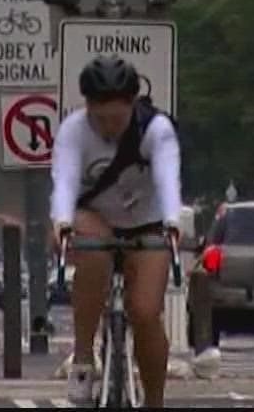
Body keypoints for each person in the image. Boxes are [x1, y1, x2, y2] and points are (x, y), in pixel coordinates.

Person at [51, 56, 183, 408]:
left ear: (132, 106)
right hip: (95, 218)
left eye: (117, 118)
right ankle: (83, 357)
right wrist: (61, 222)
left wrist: (172, 221)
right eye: (101, 118)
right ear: (88, 107)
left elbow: (168, 179)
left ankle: (154, 399)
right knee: (92, 249)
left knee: (144, 312)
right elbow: (64, 180)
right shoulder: (73, 130)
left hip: (148, 224)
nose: (109, 126)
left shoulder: (157, 130)